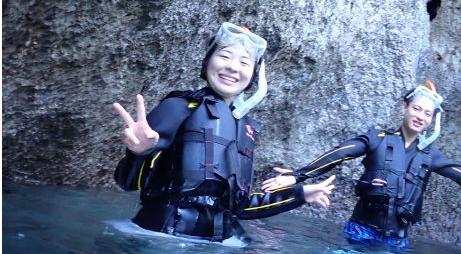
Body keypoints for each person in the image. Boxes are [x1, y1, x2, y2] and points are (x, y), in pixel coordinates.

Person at [112, 22, 335, 242]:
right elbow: (127, 182)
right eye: (225, 56)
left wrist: (301, 194)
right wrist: (138, 153)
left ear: (253, 75)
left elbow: (240, 206)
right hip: (160, 237)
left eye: (244, 62)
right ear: (208, 60)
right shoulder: (179, 107)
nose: (233, 67)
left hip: (216, 246)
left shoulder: (245, 129)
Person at [262, 81, 461, 248]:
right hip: (360, 231)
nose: (420, 117)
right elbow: (338, 154)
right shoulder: (376, 139)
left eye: (427, 114)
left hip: (397, 241)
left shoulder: (430, 156)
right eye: (417, 109)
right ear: (404, 108)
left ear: (431, 121)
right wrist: (298, 176)